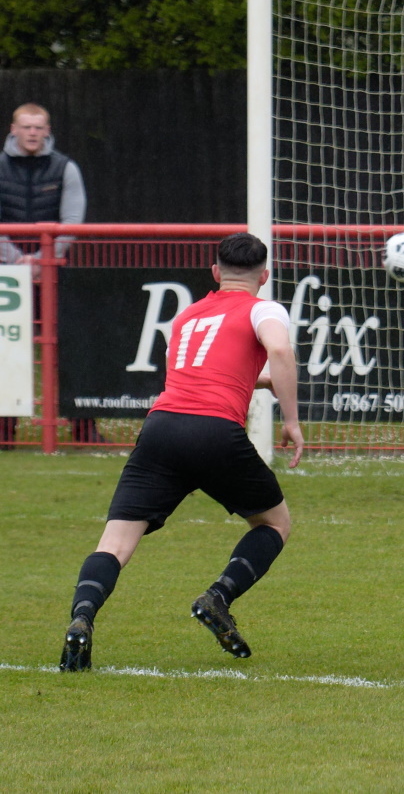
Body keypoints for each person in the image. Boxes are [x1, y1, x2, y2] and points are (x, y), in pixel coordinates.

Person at [59, 232, 304, 672]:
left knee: (115, 542)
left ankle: (82, 618)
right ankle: (218, 596)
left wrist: (261, 380)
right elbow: (280, 349)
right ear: (264, 276)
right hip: (215, 432)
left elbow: (202, 371)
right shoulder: (263, 308)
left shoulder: (188, 316)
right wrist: (291, 420)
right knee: (275, 523)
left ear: (215, 272)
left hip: (162, 428)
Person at [0, 102, 97, 447]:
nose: (32, 133)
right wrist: (17, 260)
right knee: (6, 349)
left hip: (55, 274)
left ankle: (84, 430)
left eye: (38, 127)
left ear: (47, 131)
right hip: (5, 274)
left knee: (71, 346)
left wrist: (43, 260)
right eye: (26, 127)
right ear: (13, 129)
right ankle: (4, 433)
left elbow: (71, 222)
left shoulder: (65, 167)